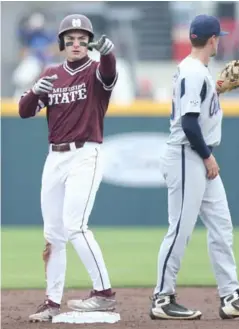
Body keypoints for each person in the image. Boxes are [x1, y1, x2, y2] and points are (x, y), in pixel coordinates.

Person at [150, 15, 239, 321]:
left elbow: (198, 105)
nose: (219, 40)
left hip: (196, 156)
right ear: (213, 39)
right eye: (218, 37)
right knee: (180, 230)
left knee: (221, 227)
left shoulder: (198, 72)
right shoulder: (193, 72)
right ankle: (162, 298)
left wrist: (220, 87)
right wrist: (207, 157)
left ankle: (231, 297)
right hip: (189, 155)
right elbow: (188, 123)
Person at [18, 14, 118, 322]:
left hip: (85, 153)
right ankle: (51, 301)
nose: (76, 43)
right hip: (55, 157)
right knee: (53, 234)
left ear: (89, 42)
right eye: (70, 38)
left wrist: (108, 53)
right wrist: (35, 90)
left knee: (75, 225)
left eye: (82, 38)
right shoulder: (51, 73)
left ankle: (103, 294)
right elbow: (24, 112)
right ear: (62, 43)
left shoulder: (95, 70)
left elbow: (110, 74)